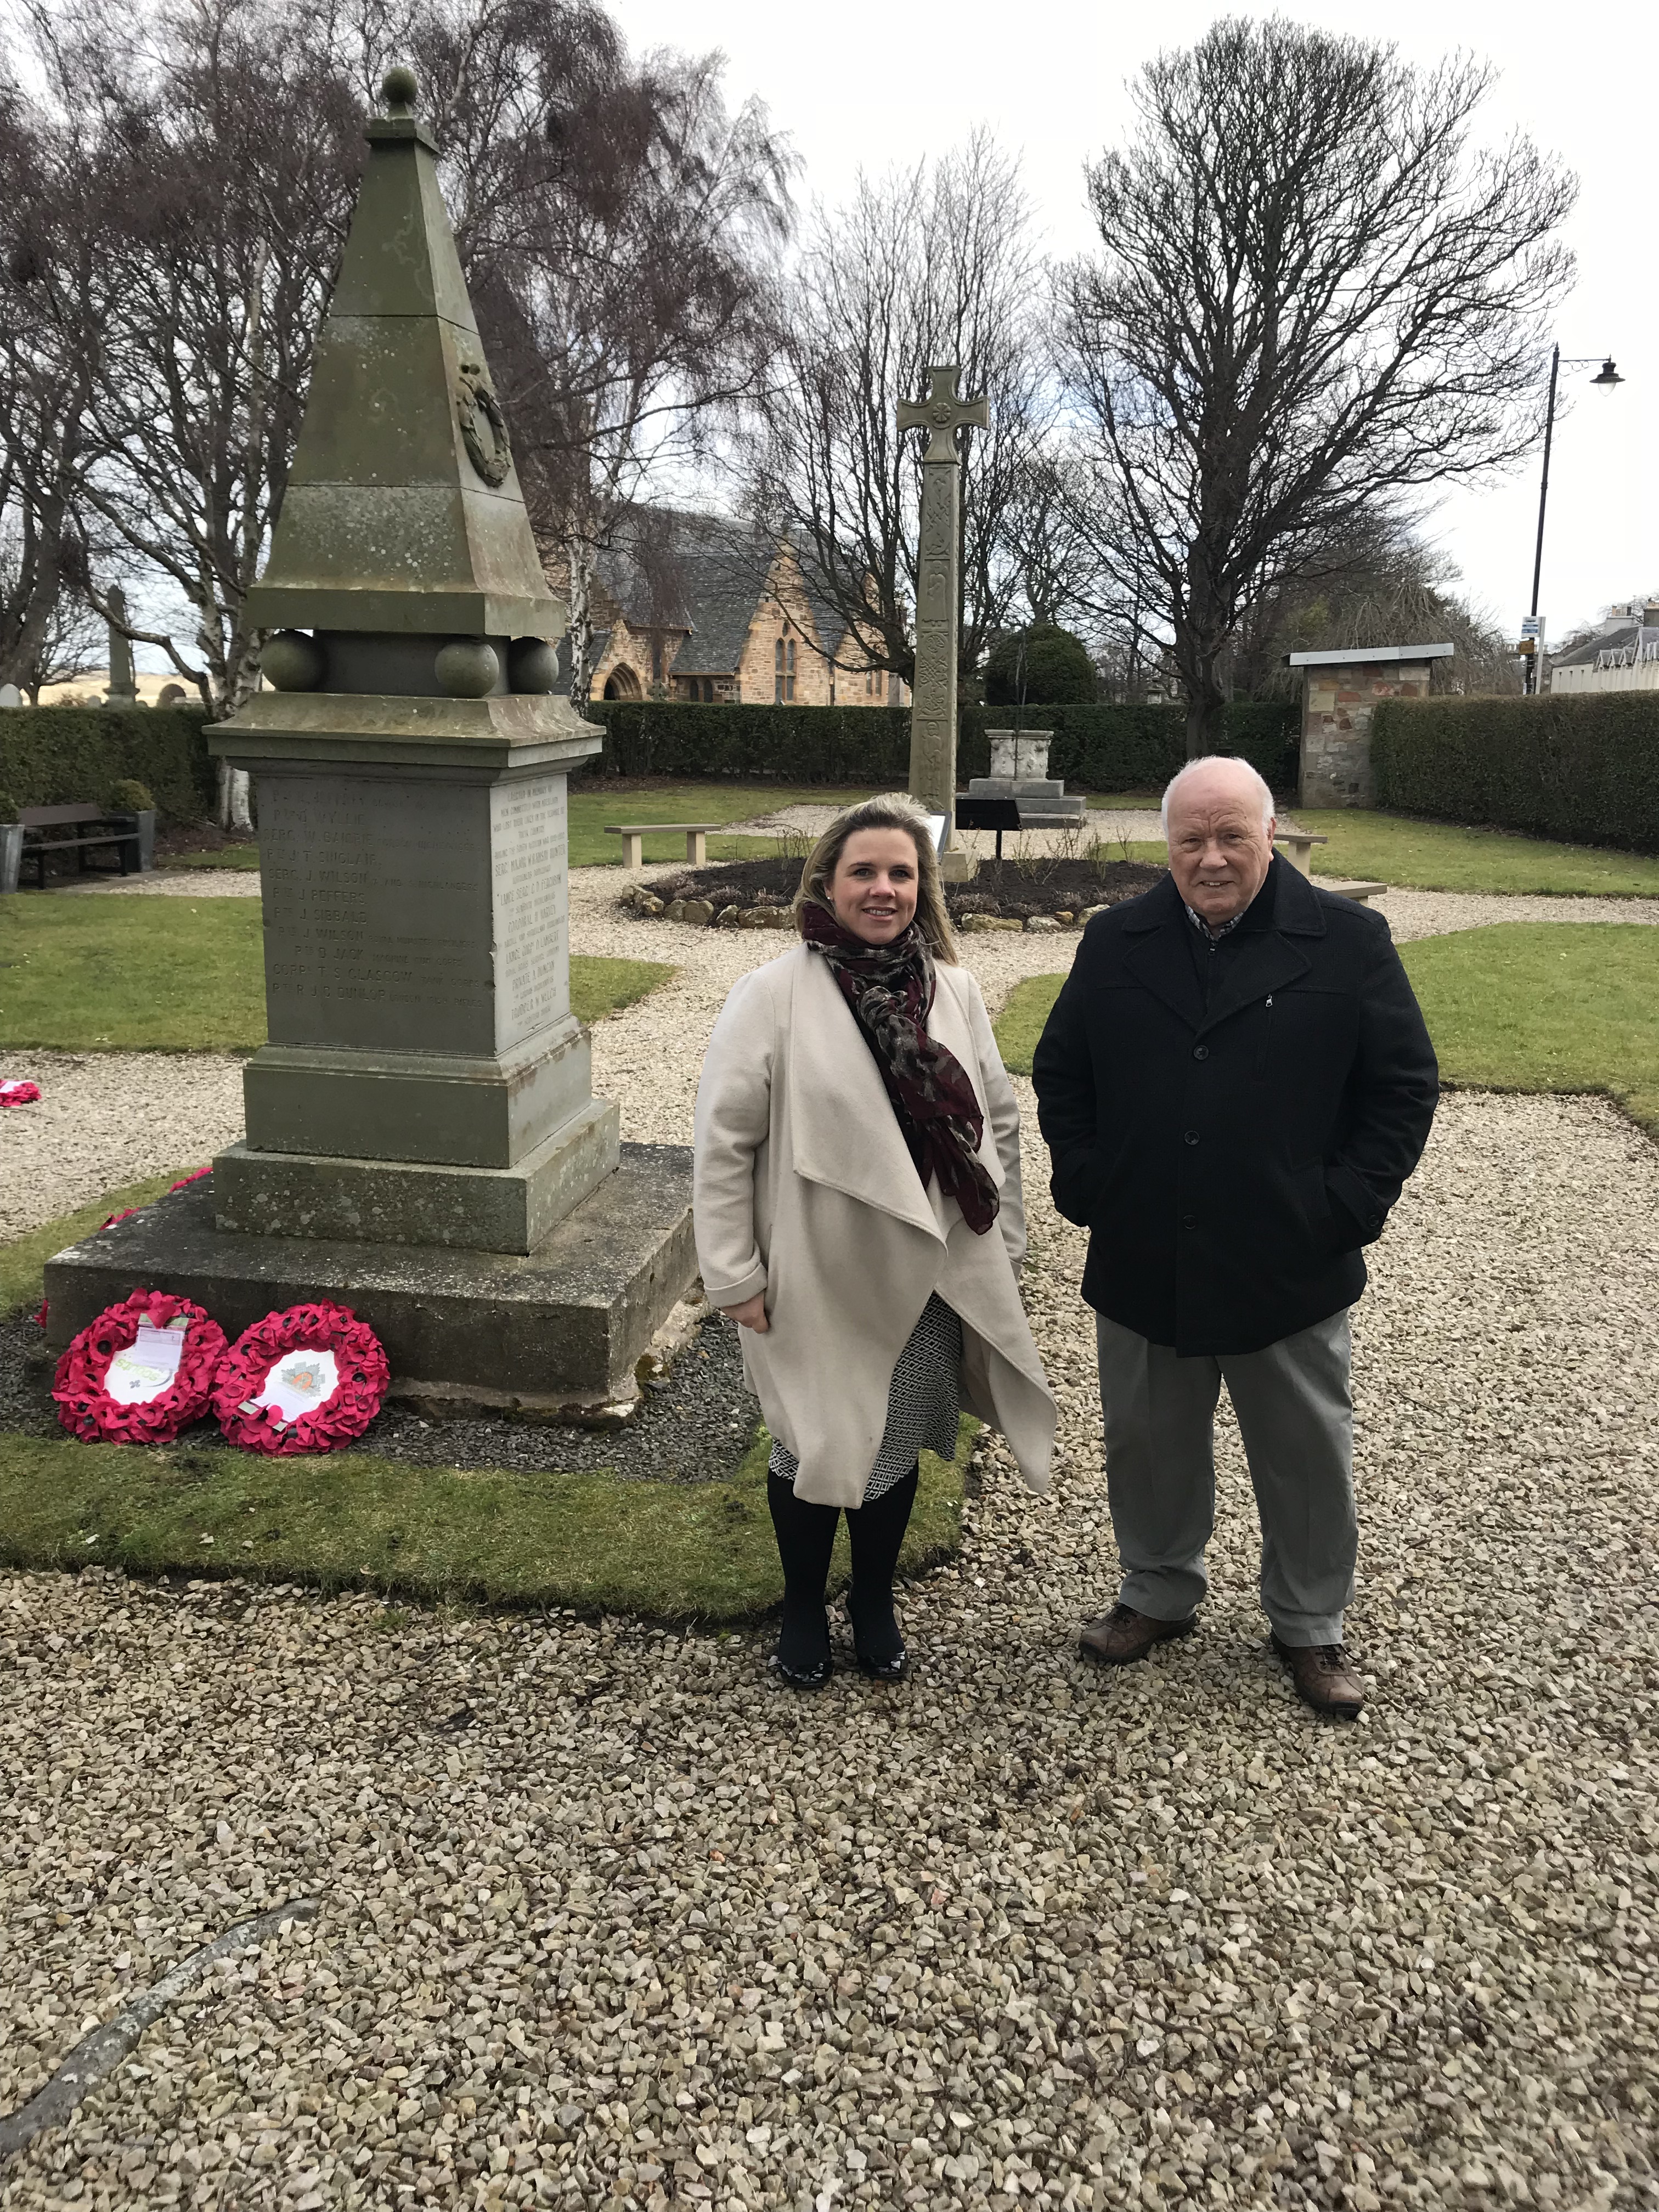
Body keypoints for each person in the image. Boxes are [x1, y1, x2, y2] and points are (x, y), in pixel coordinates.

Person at [1031, 756, 1437, 1719]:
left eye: (1231, 838)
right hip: (1144, 1246)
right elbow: (1062, 1071)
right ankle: (1158, 1590)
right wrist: (1090, 1183)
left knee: (1303, 1449)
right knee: (1148, 1441)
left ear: (1270, 834)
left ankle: (1308, 1621)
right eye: (1190, 841)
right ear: (1166, 845)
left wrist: (1339, 1210)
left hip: (1286, 1256)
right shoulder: (1116, 940)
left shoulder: (1348, 941)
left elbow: (1402, 1089)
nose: (1211, 860)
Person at [693, 798, 1056, 1688]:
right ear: (826, 881)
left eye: (901, 873)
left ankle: (874, 1601)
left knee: (892, 1448)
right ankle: (805, 1603)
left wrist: (1001, 1238)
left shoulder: (955, 990)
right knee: (811, 1445)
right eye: (864, 872)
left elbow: (999, 1122)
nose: (884, 889)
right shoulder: (772, 994)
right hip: (817, 1268)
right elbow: (724, 1139)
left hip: (931, 1271)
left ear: (921, 886)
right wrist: (733, 1272)